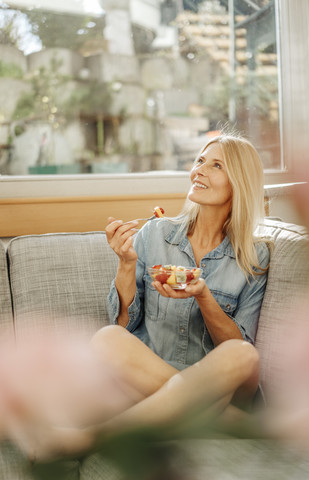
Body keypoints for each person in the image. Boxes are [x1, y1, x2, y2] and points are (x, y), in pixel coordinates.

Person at [0, 132, 271, 459]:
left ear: (238, 183)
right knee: (108, 338)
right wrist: (127, 264)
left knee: (244, 355)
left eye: (215, 165)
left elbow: (237, 343)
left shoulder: (254, 256)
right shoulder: (154, 233)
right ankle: (224, 422)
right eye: (199, 160)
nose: (199, 170)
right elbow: (127, 325)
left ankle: (88, 439)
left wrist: (203, 296)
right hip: (151, 373)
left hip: (221, 387)